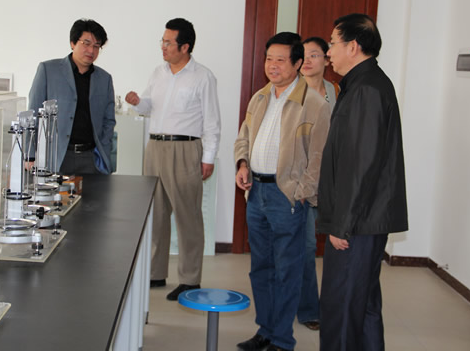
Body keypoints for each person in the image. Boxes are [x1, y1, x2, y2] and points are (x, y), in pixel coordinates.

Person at [234, 32, 330, 351]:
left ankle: (282, 339)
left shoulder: (314, 104)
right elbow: (243, 137)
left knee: (287, 269)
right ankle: (265, 329)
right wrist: (243, 163)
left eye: (280, 60)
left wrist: (302, 192)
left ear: (298, 63)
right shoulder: (260, 97)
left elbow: (319, 157)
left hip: (286, 196)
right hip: (256, 193)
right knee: (261, 268)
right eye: (268, 59)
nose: (272, 66)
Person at [317, 13, 408, 351]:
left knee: (341, 308)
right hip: (365, 220)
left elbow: (361, 165)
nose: (329, 52)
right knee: (363, 305)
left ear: (353, 46)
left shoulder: (367, 89)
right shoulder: (363, 84)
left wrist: (343, 224)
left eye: (333, 43)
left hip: (357, 223)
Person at [125, 18, 221, 301]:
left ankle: (190, 280)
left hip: (185, 149)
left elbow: (212, 122)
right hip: (155, 147)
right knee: (156, 214)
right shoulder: (158, 73)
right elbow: (148, 106)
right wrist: (137, 102)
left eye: (169, 42)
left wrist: (208, 157)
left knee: (187, 216)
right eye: (162, 41)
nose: (163, 47)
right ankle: (156, 273)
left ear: (185, 46)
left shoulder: (203, 77)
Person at [28, 19, 115, 175]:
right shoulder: (48, 70)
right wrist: (30, 155)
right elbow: (33, 113)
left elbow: (108, 120)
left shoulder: (104, 79)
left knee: (95, 193)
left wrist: (105, 149)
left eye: (96, 46)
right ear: (73, 43)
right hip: (56, 157)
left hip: (91, 158)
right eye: (86, 43)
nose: (91, 50)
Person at [296, 37, 339, 331]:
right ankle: (310, 309)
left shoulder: (336, 91)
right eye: (304, 55)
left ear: (326, 58)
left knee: (337, 243)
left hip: (331, 179)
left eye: (315, 54)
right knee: (307, 245)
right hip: (303, 180)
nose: (308, 60)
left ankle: (334, 305)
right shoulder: (293, 92)